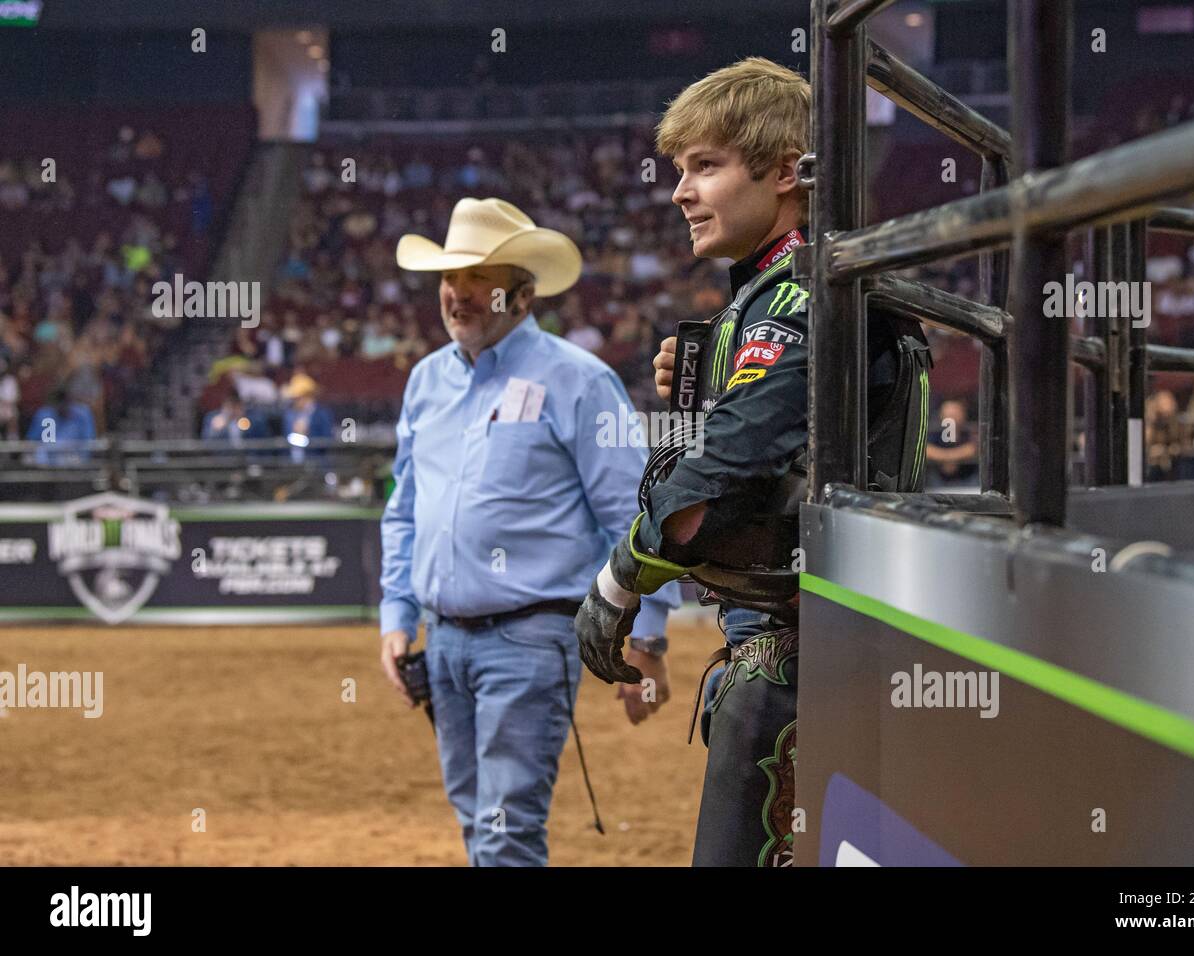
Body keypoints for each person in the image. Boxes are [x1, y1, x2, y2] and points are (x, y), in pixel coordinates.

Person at [573, 58, 931, 867]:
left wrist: (619, 576)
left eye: (705, 166)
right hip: (822, 647)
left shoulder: (801, 292)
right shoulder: (788, 289)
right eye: (679, 169)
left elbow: (718, 483)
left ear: (783, 173)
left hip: (802, 657)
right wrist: (703, 394)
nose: (680, 192)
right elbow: (747, 444)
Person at [380, 197, 680, 867]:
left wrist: (648, 637)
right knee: (476, 817)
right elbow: (405, 508)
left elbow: (634, 517)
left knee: (505, 828)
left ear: (522, 293)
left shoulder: (578, 381)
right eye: (450, 278)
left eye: (478, 278)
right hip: (445, 637)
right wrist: (397, 612)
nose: (458, 294)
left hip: (533, 634)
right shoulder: (426, 381)